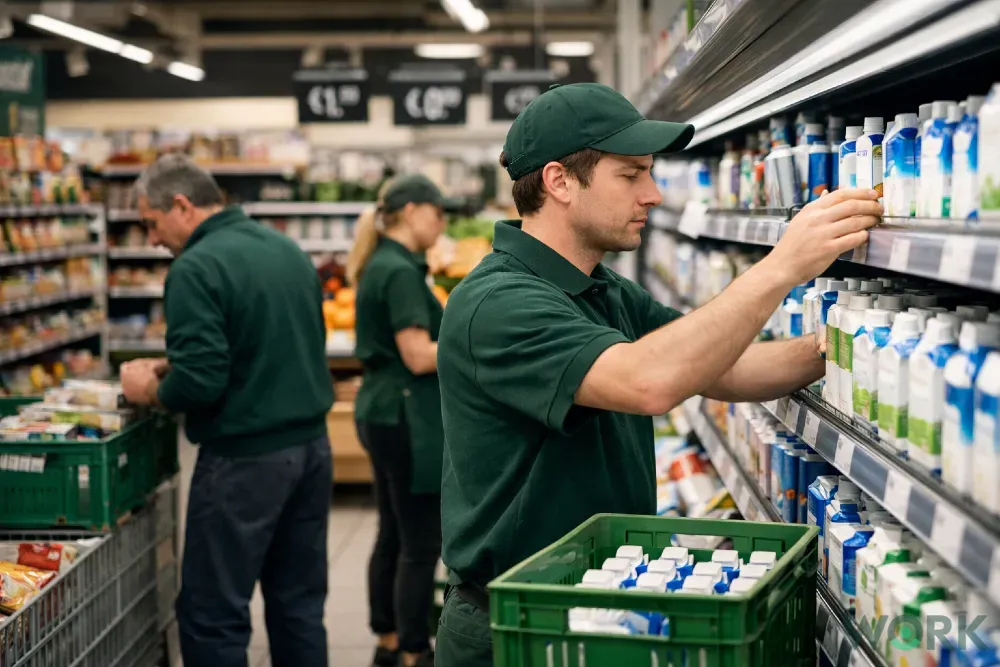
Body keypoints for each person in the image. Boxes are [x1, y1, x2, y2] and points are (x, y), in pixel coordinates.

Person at [434, 83, 882, 666]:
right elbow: (651, 382)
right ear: (559, 181)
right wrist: (783, 266)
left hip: (601, 601)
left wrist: (856, 348)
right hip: (517, 624)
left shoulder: (602, 288)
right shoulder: (498, 302)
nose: (654, 194)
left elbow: (725, 366)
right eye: (632, 175)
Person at [119, 154, 335, 667]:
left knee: (212, 614)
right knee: (299, 606)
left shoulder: (196, 266)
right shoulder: (285, 249)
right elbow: (269, 345)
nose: (151, 240)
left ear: (181, 205)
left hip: (244, 461)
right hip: (311, 452)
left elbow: (202, 383)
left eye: (151, 223)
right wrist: (177, 365)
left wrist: (147, 390)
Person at [349, 174, 453, 667]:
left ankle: (387, 638)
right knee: (419, 542)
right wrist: (472, 342)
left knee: (391, 532)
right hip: (406, 411)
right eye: (437, 214)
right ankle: (415, 649)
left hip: (382, 410)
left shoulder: (383, 263)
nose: (442, 223)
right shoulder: (400, 271)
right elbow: (417, 355)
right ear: (412, 211)